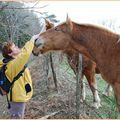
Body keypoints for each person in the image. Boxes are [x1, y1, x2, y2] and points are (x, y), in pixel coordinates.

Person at [0, 34, 39, 119]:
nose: (17, 47)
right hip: (16, 100)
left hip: (17, 98)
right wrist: (32, 40)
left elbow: (23, 55)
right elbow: (25, 54)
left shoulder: (14, 62)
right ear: (10, 53)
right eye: (14, 47)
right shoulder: (12, 65)